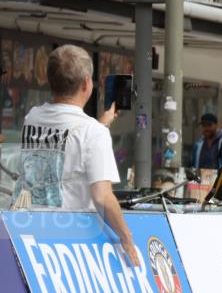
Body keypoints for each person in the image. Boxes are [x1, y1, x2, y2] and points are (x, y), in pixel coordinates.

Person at [14, 45, 139, 267]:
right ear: (86, 84)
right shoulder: (92, 132)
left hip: (29, 232)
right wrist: (127, 238)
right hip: (70, 241)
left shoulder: (32, 118)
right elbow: (102, 197)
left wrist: (101, 123)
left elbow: (64, 143)